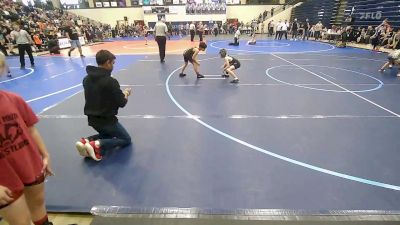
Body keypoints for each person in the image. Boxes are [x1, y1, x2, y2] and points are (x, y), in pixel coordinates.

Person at [0, 52, 54, 225]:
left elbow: (31, 130)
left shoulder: (14, 100)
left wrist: (45, 155)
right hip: (4, 178)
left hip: (29, 164)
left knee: (38, 207)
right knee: (20, 221)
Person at [75, 50, 132, 161]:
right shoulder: (111, 82)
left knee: (108, 135)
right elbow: (122, 103)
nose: (113, 66)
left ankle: (86, 141)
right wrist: (126, 93)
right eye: (113, 63)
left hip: (92, 120)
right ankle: (97, 145)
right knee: (126, 139)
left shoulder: (86, 79)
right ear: (107, 62)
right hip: (107, 121)